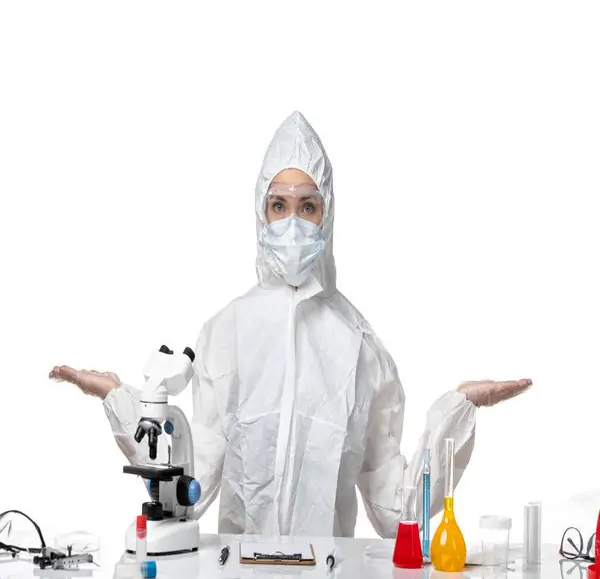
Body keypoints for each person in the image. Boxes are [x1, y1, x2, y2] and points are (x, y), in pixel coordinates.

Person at [50, 111, 532, 538]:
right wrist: (122, 399)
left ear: (328, 216)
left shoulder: (360, 347)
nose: (293, 224)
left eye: (308, 207)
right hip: (238, 574)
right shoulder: (226, 333)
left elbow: (396, 512)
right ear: (261, 215)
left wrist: (457, 409)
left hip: (329, 575)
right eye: (279, 206)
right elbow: (191, 487)